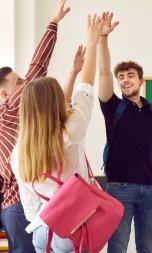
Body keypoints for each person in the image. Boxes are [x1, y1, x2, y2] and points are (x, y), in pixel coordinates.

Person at [10, 14, 104, 253]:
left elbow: (30, 206)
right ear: (57, 104)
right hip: (77, 227)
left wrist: (73, 71)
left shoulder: (19, 152)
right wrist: (92, 43)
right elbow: (86, 88)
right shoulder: (72, 132)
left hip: (43, 231)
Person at [97, 12, 152, 253]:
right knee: (117, 246)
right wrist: (103, 39)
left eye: (130, 76)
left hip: (151, 188)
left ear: (140, 80)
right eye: (121, 77)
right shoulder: (113, 106)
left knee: (146, 246)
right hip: (120, 188)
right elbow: (104, 72)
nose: (125, 80)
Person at [0, 1, 70, 252]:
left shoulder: (10, 119)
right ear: (6, 96)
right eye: (18, 82)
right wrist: (53, 22)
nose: (24, 84)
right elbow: (38, 68)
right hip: (20, 205)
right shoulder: (8, 113)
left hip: (14, 206)